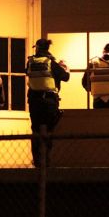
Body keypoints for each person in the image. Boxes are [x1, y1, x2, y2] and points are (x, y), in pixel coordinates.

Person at [26, 38, 70, 167]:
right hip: (49, 102)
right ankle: (46, 161)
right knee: (49, 131)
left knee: (35, 131)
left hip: (34, 101)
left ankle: (37, 161)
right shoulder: (51, 63)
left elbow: (27, 73)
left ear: (37, 48)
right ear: (48, 48)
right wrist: (65, 67)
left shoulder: (30, 62)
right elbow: (65, 77)